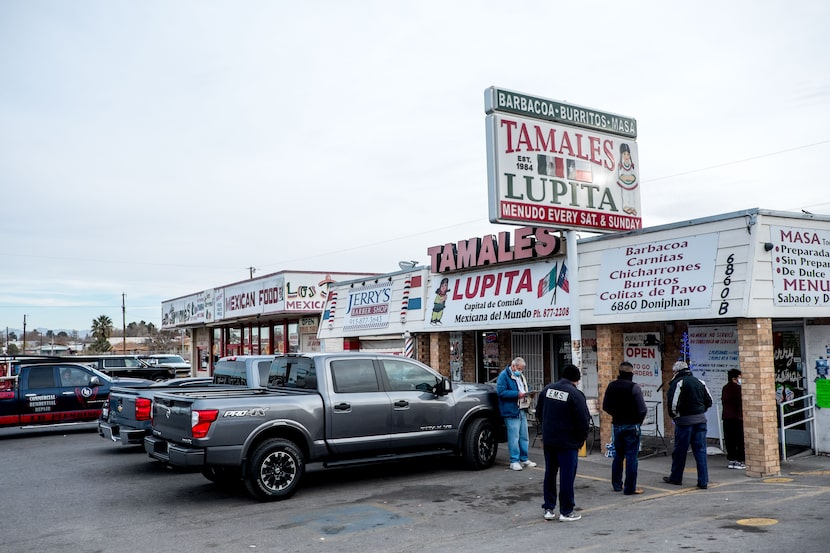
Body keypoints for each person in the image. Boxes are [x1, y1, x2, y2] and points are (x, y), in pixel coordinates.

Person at [535, 363, 591, 522]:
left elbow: (539, 413)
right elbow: (584, 421)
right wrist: (580, 441)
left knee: (550, 474)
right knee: (567, 476)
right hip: (568, 443)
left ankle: (548, 508)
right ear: (576, 380)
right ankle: (566, 511)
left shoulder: (547, 390)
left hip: (550, 440)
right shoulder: (575, 394)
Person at [663, 361, 713, 489]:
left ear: (676, 372)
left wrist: (675, 416)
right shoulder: (700, 382)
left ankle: (676, 477)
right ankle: (703, 481)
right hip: (701, 420)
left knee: (680, 451)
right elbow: (709, 400)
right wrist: (701, 411)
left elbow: (673, 405)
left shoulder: (678, 383)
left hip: (685, 422)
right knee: (700, 451)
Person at [602, 361, 648, 495]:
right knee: (631, 457)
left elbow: (605, 406)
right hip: (632, 425)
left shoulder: (611, 386)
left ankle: (617, 485)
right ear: (631, 373)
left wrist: (617, 414)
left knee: (618, 455)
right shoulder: (634, 387)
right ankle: (630, 488)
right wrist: (638, 421)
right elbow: (642, 409)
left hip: (617, 424)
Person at [496, 357, 537, 471]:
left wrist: (530, 392)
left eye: (522, 369)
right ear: (513, 366)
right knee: (514, 437)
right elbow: (501, 392)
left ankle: (524, 459)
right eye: (519, 368)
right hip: (511, 410)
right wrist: (517, 394)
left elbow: (526, 387)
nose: (521, 371)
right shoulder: (504, 376)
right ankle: (514, 460)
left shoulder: (520, 376)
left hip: (521, 409)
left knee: (524, 436)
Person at [722, 368, 746, 470]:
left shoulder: (725, 388)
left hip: (727, 417)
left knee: (729, 439)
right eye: (740, 377)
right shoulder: (738, 389)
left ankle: (732, 460)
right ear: (734, 378)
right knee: (739, 439)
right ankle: (739, 460)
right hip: (737, 417)